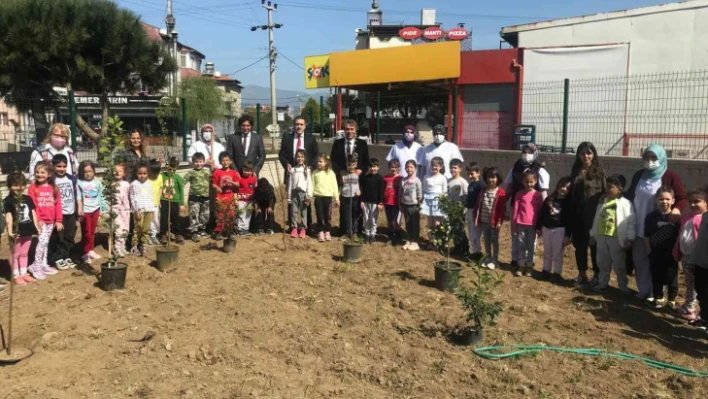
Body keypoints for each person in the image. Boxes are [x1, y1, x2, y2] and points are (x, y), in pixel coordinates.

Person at [625, 145, 687, 302]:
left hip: (658, 229)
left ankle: (656, 294)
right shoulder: (639, 175)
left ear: (662, 158)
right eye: (647, 158)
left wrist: (677, 209)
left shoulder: (670, 176)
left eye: (654, 158)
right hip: (639, 226)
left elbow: (682, 197)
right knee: (640, 261)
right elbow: (631, 194)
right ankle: (644, 291)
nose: (650, 161)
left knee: (657, 262)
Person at [504, 143, 550, 270]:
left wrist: (545, 211)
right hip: (517, 206)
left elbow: (543, 192)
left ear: (535, 153)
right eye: (524, 151)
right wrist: (502, 203)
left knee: (531, 238)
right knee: (516, 235)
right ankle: (516, 259)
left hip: (533, 210)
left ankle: (530, 261)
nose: (526, 154)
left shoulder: (540, 170)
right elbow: (509, 188)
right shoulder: (515, 168)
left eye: (530, 152)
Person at [567, 142, 606, 285]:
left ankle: (597, 275)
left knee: (595, 246)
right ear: (578, 155)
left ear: (594, 154)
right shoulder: (575, 171)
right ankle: (582, 274)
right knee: (580, 245)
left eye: (589, 153)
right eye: (583, 153)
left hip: (593, 217)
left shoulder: (599, 172)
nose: (586, 156)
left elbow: (604, 194)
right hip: (577, 215)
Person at [589, 175, 635, 293]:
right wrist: (593, 234)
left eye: (610, 187)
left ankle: (623, 287)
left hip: (616, 238)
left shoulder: (626, 204)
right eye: (607, 186)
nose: (607, 189)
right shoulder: (602, 201)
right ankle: (602, 283)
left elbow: (630, 222)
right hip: (601, 236)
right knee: (602, 262)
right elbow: (597, 218)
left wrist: (629, 238)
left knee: (619, 264)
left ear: (620, 189)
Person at [673, 188, 707, 319]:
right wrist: (677, 251)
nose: (693, 204)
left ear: (706, 203)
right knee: (689, 283)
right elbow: (680, 236)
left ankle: (691, 308)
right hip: (686, 256)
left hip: (698, 258)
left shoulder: (704, 219)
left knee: (695, 284)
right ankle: (688, 305)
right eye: (690, 201)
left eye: (697, 201)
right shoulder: (686, 217)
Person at [331, 120, 369, 234]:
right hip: (343, 179)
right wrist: (340, 171)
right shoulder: (337, 143)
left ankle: (357, 230)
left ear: (355, 130)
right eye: (347, 129)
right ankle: (344, 230)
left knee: (357, 206)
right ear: (344, 130)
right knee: (344, 206)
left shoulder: (362, 144)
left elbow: (366, 161)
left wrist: (361, 170)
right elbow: (333, 160)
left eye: (352, 129)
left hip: (357, 180)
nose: (349, 131)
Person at [279, 116, 319, 227]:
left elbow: (316, 155)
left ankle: (307, 224)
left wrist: (311, 167)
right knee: (291, 200)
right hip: (292, 175)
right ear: (294, 125)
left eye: (301, 124)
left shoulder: (311, 139)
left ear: (305, 126)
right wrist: (286, 164)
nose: (299, 126)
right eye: (297, 124)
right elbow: (281, 154)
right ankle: (293, 225)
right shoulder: (287, 138)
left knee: (306, 199)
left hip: (306, 175)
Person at [645, 186, 680, 309]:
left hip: (672, 253)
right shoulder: (651, 217)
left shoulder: (677, 218)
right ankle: (658, 297)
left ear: (673, 201)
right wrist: (649, 252)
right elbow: (647, 236)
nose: (664, 201)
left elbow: (680, 236)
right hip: (655, 252)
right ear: (656, 200)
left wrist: (678, 253)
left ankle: (672, 300)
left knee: (673, 277)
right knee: (656, 276)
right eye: (661, 199)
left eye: (667, 199)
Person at [28, 161, 62, 279]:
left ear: (49, 174)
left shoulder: (54, 188)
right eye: (37, 172)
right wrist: (37, 220)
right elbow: (33, 205)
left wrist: (58, 220)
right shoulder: (33, 188)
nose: (39, 174)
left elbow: (58, 205)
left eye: (43, 172)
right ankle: (36, 265)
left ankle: (43, 263)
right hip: (40, 221)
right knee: (42, 242)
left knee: (46, 242)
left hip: (51, 221)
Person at [4, 172, 39, 285]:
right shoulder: (8, 201)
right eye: (15, 185)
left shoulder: (28, 199)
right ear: (9, 186)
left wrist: (36, 226)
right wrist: (9, 231)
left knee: (24, 253)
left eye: (21, 185)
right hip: (16, 232)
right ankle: (15, 275)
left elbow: (33, 213)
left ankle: (23, 273)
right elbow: (8, 216)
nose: (18, 188)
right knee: (15, 253)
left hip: (28, 229)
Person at [537, 177, 572, 282]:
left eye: (567, 188)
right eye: (562, 186)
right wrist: (539, 227)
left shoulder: (568, 203)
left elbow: (570, 220)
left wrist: (568, 235)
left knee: (557, 252)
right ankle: (546, 270)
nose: (564, 189)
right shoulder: (549, 200)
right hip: (547, 228)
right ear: (558, 186)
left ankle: (557, 273)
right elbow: (542, 214)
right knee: (547, 251)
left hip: (560, 229)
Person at [473, 167, 507, 270]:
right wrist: (475, 216)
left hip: (494, 223)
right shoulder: (483, 191)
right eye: (489, 177)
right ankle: (487, 258)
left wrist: (499, 221)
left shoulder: (501, 192)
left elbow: (502, 210)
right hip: (484, 221)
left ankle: (495, 260)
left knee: (494, 240)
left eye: (493, 177)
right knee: (486, 240)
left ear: (497, 179)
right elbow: (478, 204)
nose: (491, 180)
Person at [512, 171, 544, 277]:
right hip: (521, 223)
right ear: (523, 182)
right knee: (521, 245)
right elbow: (516, 210)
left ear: (535, 181)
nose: (529, 184)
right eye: (527, 182)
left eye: (531, 182)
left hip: (533, 225)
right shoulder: (519, 194)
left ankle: (529, 266)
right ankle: (521, 265)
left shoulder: (538, 195)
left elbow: (540, 212)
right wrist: (514, 225)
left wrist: (539, 227)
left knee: (531, 246)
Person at [48, 154, 78, 270]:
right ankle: (57, 258)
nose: (61, 169)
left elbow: (76, 194)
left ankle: (66, 256)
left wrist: (77, 210)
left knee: (69, 235)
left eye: (64, 166)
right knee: (58, 237)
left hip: (71, 212)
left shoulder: (71, 179)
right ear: (53, 166)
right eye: (58, 166)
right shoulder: (51, 181)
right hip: (58, 214)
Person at [77, 161, 106, 264]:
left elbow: (101, 196)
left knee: (92, 232)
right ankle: (85, 252)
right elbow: (78, 198)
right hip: (85, 211)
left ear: (94, 171)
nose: (88, 174)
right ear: (81, 172)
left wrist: (102, 209)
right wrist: (79, 211)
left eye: (90, 171)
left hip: (95, 210)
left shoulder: (97, 183)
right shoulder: (79, 183)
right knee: (86, 232)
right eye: (85, 172)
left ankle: (91, 250)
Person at [212, 152, 241, 240]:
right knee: (221, 214)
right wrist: (217, 188)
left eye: (227, 160)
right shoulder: (217, 172)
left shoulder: (234, 173)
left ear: (230, 161)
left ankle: (230, 231)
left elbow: (238, 184)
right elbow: (213, 184)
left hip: (230, 196)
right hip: (220, 196)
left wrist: (231, 182)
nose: (225, 162)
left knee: (231, 214)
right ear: (220, 162)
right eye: (223, 160)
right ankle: (218, 232)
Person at [421, 157, 447, 250]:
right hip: (428, 201)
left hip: (438, 202)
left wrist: (443, 203)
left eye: (436, 165)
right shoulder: (426, 177)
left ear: (441, 166)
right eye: (432, 165)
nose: (434, 167)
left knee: (437, 223)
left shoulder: (443, 178)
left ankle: (438, 242)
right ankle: (431, 241)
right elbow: (424, 190)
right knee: (430, 222)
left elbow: (444, 192)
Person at [129, 163, 155, 257]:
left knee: (146, 228)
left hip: (148, 209)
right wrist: (136, 210)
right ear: (136, 173)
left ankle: (143, 245)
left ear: (147, 174)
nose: (142, 175)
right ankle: (134, 246)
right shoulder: (134, 184)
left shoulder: (149, 184)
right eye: (140, 173)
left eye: (144, 173)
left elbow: (151, 197)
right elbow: (132, 197)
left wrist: (152, 210)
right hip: (139, 210)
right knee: (137, 228)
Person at [159, 157, 186, 245]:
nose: (172, 171)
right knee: (164, 218)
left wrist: (181, 203)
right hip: (164, 200)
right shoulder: (162, 176)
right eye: (170, 167)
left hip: (175, 200)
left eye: (174, 168)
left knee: (175, 218)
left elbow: (181, 190)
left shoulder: (178, 178)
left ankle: (177, 234)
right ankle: (163, 234)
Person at [312, 154, 339, 242]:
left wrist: (337, 197)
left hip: (328, 197)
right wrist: (310, 196)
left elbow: (334, 185)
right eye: (318, 161)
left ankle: (327, 231)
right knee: (320, 215)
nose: (318, 163)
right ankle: (320, 231)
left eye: (320, 161)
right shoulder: (315, 172)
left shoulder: (331, 173)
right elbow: (312, 185)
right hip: (318, 197)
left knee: (327, 215)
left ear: (326, 162)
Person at [185, 152, 212, 242]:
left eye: (200, 161)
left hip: (205, 196)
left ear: (204, 162)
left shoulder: (207, 171)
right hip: (194, 197)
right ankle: (194, 232)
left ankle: (202, 230)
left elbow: (213, 180)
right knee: (194, 215)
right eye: (196, 162)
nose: (198, 164)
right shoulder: (190, 172)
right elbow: (182, 182)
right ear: (192, 163)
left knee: (205, 215)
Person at [287, 149, 313, 239]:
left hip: (303, 193)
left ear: (305, 158)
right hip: (294, 192)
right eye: (298, 156)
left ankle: (303, 228)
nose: (300, 158)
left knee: (303, 211)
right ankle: (294, 227)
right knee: (293, 211)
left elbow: (309, 183)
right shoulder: (293, 170)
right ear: (295, 157)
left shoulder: (307, 170)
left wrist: (308, 195)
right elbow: (290, 183)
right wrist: (289, 196)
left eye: (302, 157)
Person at [359, 158, 385, 244]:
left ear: (378, 167)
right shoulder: (365, 178)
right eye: (371, 167)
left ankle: (373, 234)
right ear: (368, 168)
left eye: (375, 167)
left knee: (373, 219)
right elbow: (362, 190)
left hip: (375, 203)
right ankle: (367, 234)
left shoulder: (380, 178)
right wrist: (362, 200)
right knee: (367, 219)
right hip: (366, 202)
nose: (373, 168)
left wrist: (380, 202)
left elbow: (381, 191)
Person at [400, 160, 423, 251]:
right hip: (405, 205)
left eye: (411, 167)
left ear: (415, 168)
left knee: (415, 224)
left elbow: (420, 193)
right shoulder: (403, 180)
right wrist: (400, 203)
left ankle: (415, 241)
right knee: (408, 223)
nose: (409, 169)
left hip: (414, 206)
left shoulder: (417, 180)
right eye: (407, 167)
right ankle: (409, 239)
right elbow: (400, 192)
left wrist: (419, 202)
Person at [448, 158, 469, 255]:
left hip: (459, 210)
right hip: (451, 209)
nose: (453, 170)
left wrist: (463, 208)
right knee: (453, 229)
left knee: (460, 229)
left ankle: (465, 248)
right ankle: (457, 247)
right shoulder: (449, 181)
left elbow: (466, 195)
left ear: (460, 169)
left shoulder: (463, 182)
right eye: (451, 168)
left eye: (455, 168)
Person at [465, 162, 485, 260]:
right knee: (470, 231)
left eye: (472, 174)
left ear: (478, 173)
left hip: (476, 210)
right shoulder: (471, 185)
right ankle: (474, 251)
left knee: (475, 233)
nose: (470, 176)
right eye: (468, 174)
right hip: (469, 209)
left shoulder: (481, 185)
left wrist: (478, 213)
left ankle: (478, 252)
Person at [340, 155, 361, 239]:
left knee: (355, 215)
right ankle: (347, 232)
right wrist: (339, 195)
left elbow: (362, 185)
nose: (351, 167)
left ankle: (355, 232)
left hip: (355, 198)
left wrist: (360, 191)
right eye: (349, 164)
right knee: (346, 216)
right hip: (345, 197)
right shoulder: (343, 174)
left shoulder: (358, 174)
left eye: (353, 164)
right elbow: (341, 185)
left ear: (356, 164)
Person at [113, 164, 131, 258]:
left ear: (124, 173)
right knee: (118, 230)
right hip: (116, 211)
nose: (117, 172)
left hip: (126, 210)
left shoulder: (126, 184)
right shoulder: (111, 184)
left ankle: (122, 246)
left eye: (120, 171)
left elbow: (129, 196)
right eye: (115, 170)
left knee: (125, 229)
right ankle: (117, 248)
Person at [383, 159, 403, 245]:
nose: (393, 169)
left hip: (396, 203)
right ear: (389, 168)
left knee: (396, 221)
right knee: (389, 220)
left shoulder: (400, 179)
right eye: (392, 167)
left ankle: (397, 237)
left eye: (395, 167)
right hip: (387, 203)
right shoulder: (385, 178)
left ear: (399, 168)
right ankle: (390, 237)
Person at [237, 162, 257, 236]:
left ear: (252, 171)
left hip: (250, 200)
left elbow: (255, 187)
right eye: (245, 170)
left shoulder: (253, 179)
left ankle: (246, 228)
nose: (247, 172)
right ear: (242, 170)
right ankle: (240, 229)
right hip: (241, 200)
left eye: (249, 170)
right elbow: (237, 188)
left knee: (248, 214)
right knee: (241, 214)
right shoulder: (240, 179)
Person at [147, 159, 163, 246]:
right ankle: (148, 236)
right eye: (153, 173)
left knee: (155, 220)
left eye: (156, 173)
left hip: (155, 204)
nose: (155, 175)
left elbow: (160, 188)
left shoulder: (160, 177)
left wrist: (159, 200)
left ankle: (154, 235)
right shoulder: (146, 178)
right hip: (147, 204)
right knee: (148, 220)